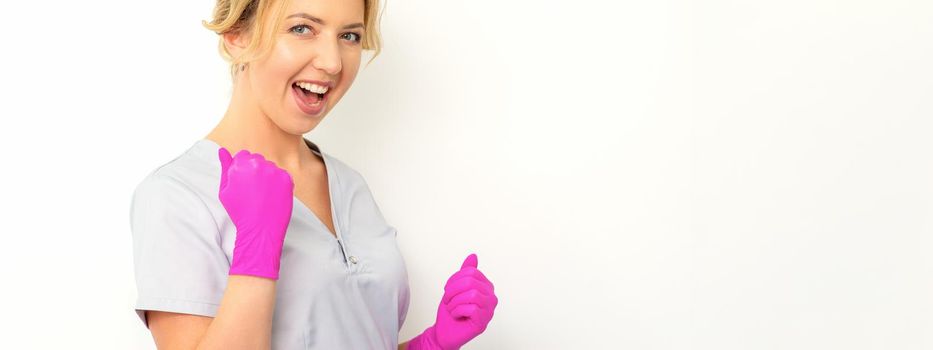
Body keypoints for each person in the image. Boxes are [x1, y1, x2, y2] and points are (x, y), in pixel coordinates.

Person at [128, 0, 499, 348]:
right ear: (237, 35)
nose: (333, 62)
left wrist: (431, 343)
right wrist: (256, 249)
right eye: (303, 29)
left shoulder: (350, 186)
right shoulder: (179, 196)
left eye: (349, 36)